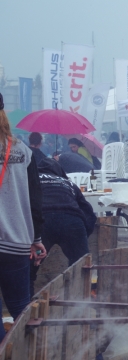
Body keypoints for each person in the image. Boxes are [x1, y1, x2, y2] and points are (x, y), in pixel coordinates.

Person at [0, 97, 47, 341]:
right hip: (17, 242)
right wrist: (36, 237)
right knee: (20, 309)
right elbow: (35, 200)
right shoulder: (23, 151)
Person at [31, 158, 96, 282]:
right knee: (81, 266)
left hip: (43, 224)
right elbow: (89, 213)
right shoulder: (69, 183)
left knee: (29, 270)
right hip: (72, 223)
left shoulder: (30, 180)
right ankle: (81, 300)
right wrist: (82, 236)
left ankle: (27, 300)